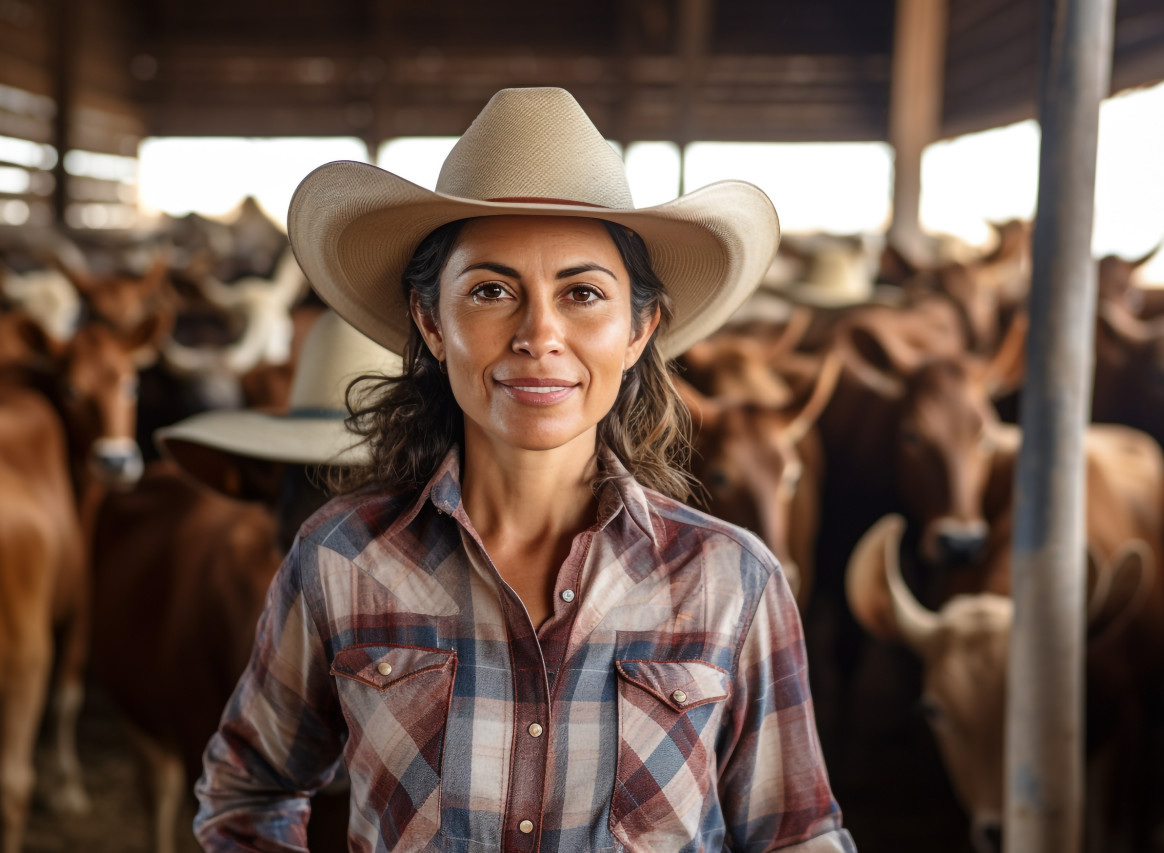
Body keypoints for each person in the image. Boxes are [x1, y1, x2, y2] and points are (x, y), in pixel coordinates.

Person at [193, 86, 855, 852]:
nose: (539, 334)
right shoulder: (342, 558)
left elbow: (797, 835)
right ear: (431, 322)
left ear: (640, 328)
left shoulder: (732, 581)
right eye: (491, 290)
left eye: (582, 293)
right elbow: (248, 789)